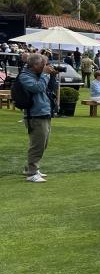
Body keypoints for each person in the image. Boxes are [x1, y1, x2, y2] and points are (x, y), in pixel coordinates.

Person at [19, 53, 58, 182]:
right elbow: (37, 87)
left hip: (44, 111)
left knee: (43, 144)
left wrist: (51, 76)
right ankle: (31, 173)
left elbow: (49, 88)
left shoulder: (38, 75)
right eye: (43, 64)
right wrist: (45, 74)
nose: (44, 66)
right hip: (34, 114)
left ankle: (30, 167)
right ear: (35, 65)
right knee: (37, 145)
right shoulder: (24, 76)